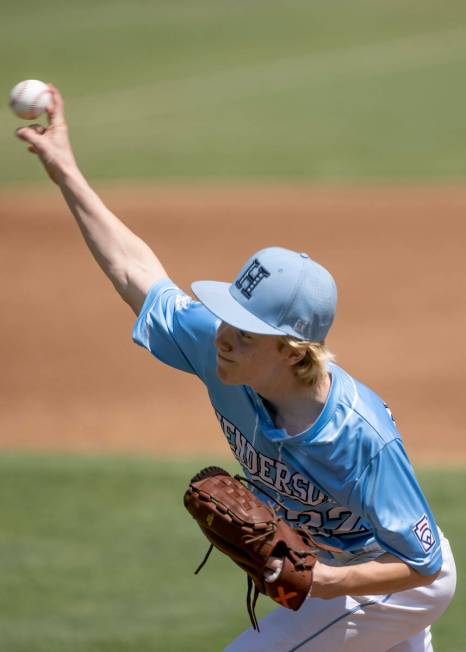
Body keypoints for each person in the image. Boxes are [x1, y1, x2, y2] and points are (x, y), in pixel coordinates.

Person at [15, 85, 456, 652]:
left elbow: (422, 564)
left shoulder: (357, 436)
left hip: (396, 580)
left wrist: (326, 583)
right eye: (226, 316)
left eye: (244, 333)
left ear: (293, 351)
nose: (222, 337)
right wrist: (66, 172)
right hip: (352, 569)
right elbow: (134, 272)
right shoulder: (218, 346)